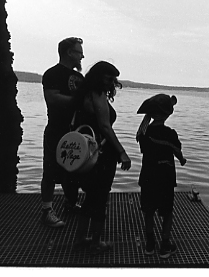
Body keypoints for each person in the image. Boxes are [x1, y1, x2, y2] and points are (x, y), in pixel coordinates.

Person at [72, 61, 131, 254]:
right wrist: (122, 152)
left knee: (90, 197)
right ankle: (96, 243)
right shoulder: (97, 95)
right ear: (99, 76)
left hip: (88, 153)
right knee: (99, 198)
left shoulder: (84, 93)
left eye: (114, 79)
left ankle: (80, 239)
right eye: (109, 78)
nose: (112, 82)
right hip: (101, 154)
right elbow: (105, 127)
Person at [41, 37, 85, 227]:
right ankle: (47, 211)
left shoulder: (81, 78)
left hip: (75, 131)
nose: (82, 55)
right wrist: (78, 102)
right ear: (69, 52)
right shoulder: (52, 74)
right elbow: (52, 98)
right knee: (50, 171)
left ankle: (70, 203)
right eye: (79, 52)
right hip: (56, 130)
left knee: (74, 169)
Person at [136, 94, 186, 259]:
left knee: (148, 211)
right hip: (165, 178)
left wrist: (148, 116)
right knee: (167, 212)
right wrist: (182, 159)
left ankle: (149, 244)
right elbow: (177, 152)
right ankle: (164, 245)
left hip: (148, 176)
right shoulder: (170, 133)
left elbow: (142, 142)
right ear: (168, 114)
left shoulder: (144, 132)